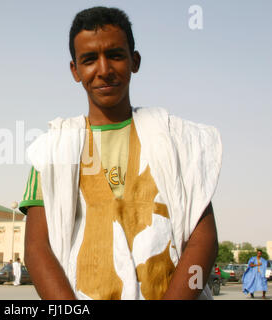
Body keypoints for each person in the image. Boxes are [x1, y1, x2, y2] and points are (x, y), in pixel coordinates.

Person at [20, 6, 221, 300]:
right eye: (89, 60)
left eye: (115, 55)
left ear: (134, 61)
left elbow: (204, 239)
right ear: (75, 70)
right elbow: (37, 248)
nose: (104, 70)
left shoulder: (177, 139)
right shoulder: (52, 150)